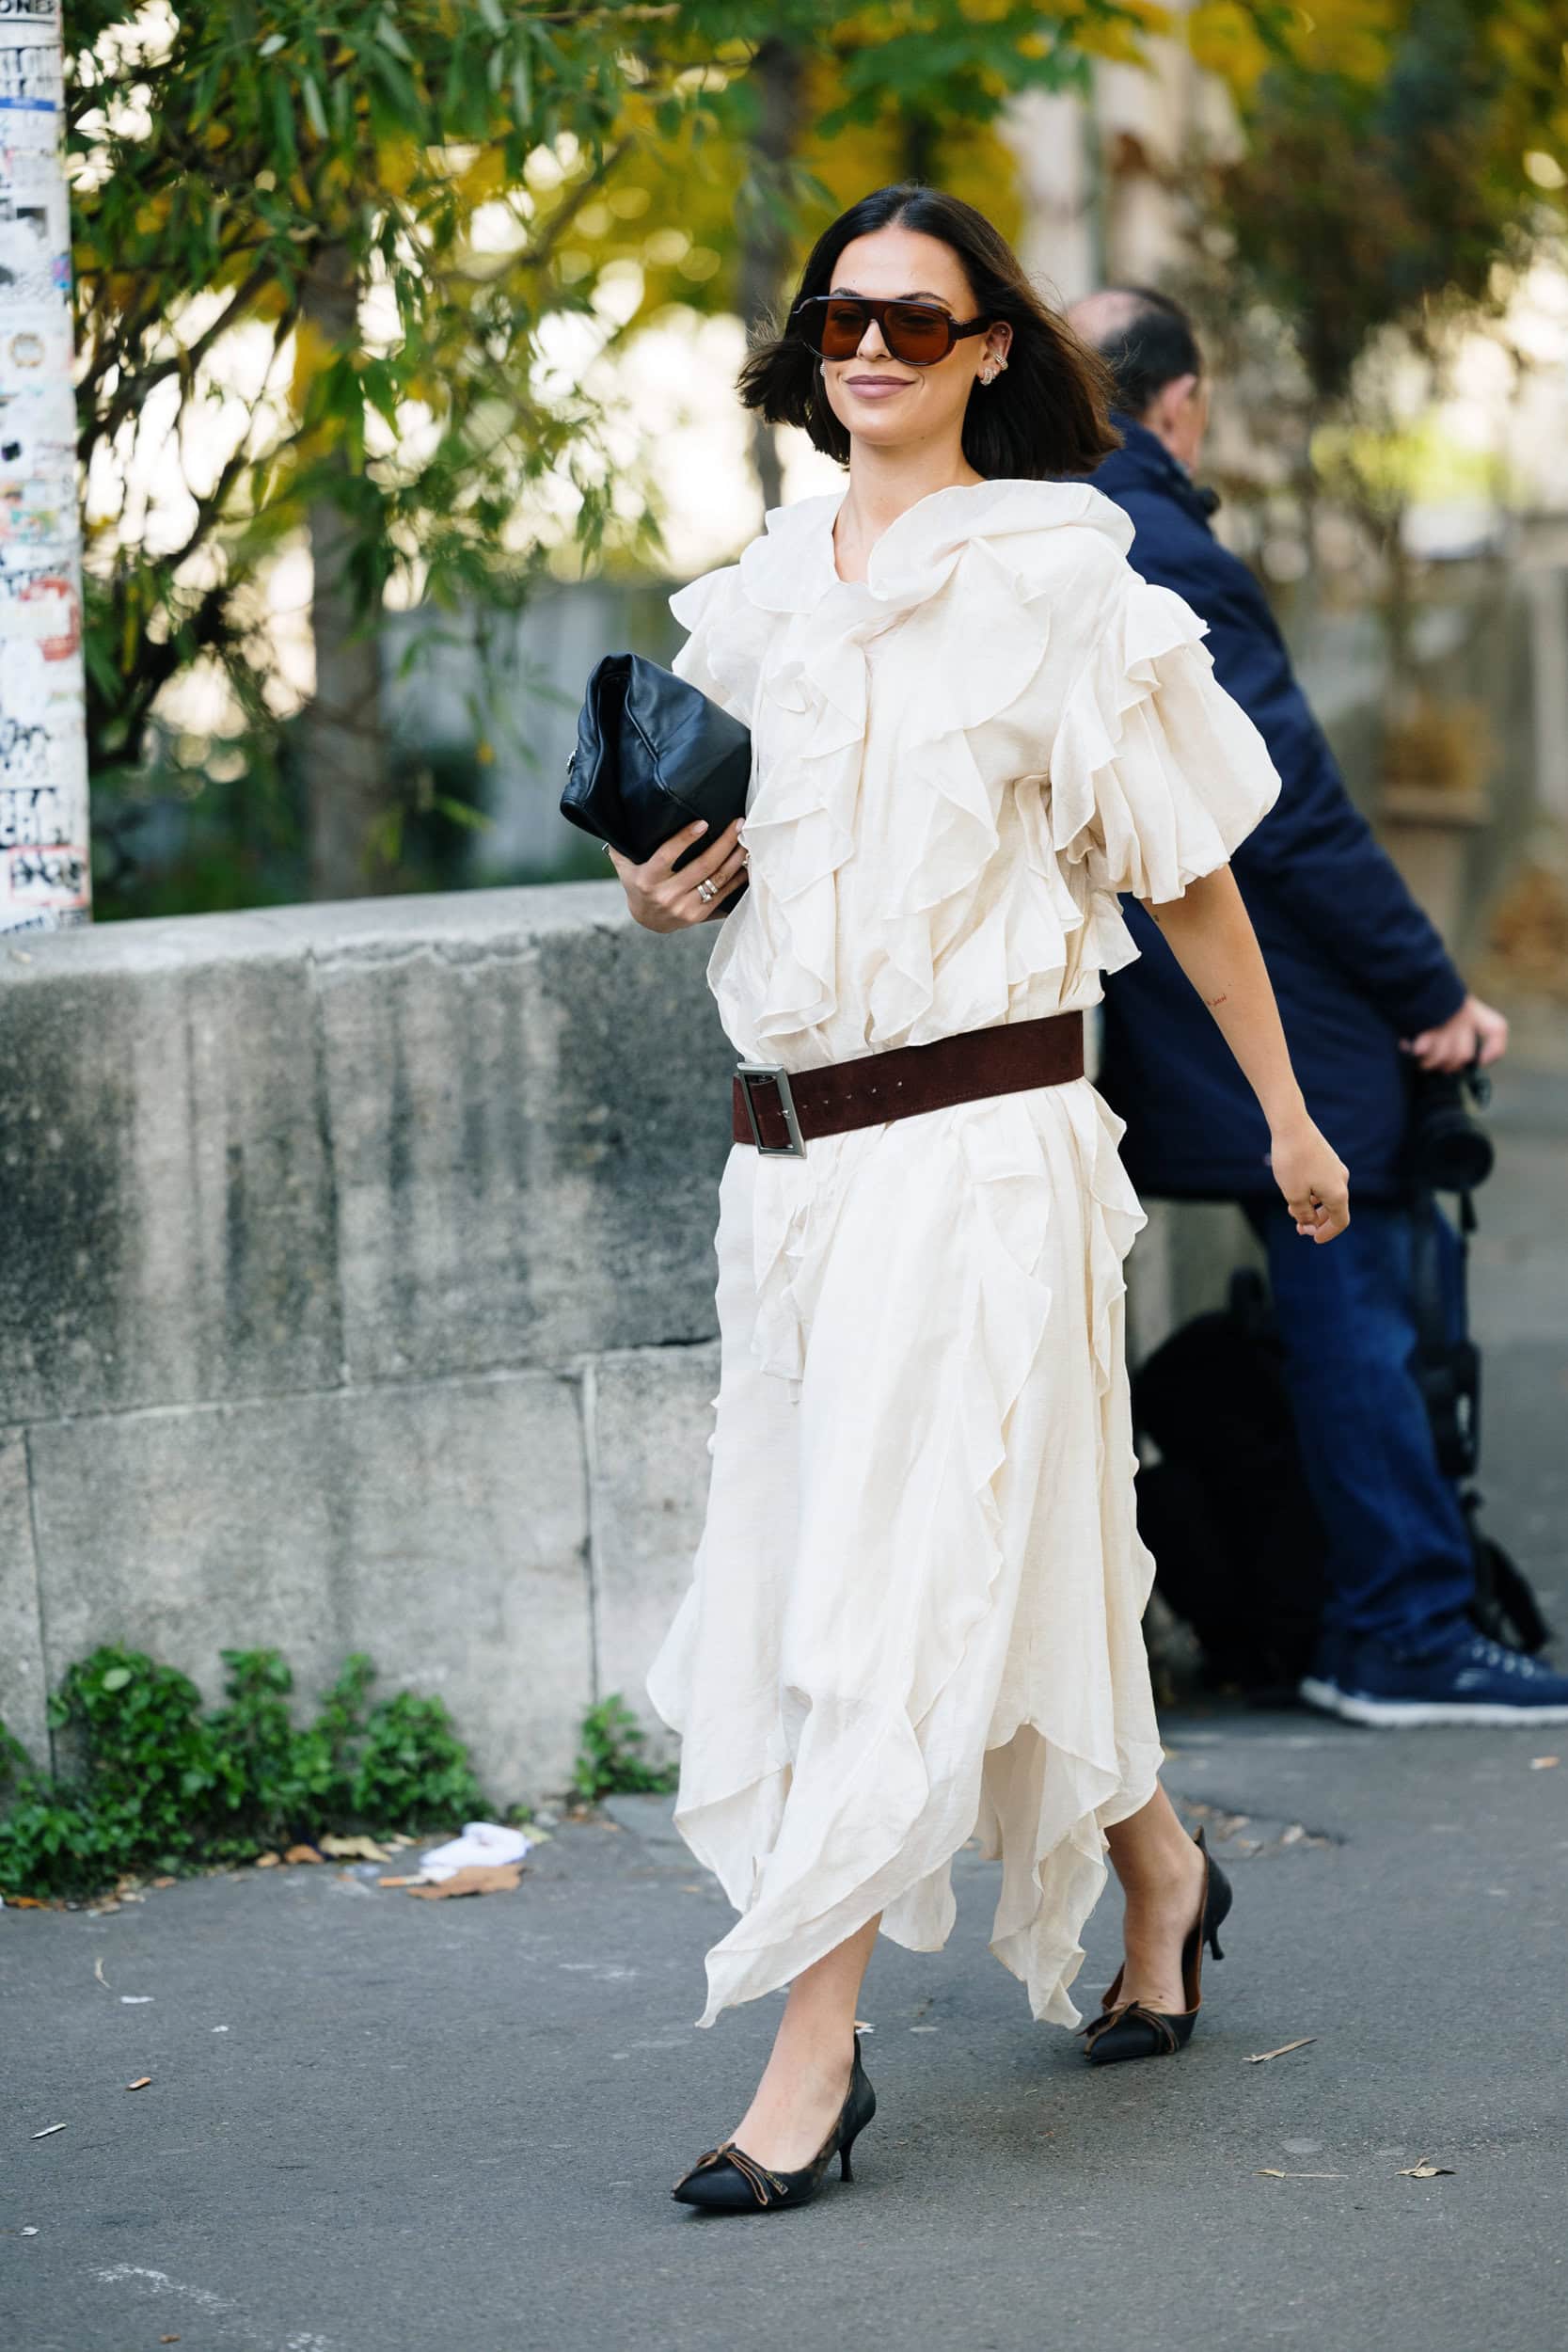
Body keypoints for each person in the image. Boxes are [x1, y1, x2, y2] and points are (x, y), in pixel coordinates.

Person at [609, 184, 1348, 2217]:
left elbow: (1192, 873)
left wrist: (1289, 1119)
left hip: (985, 1154)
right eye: (842, 316)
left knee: (877, 1594)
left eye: (917, 322)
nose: (870, 348)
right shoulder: (760, 595)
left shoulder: (1062, 581)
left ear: (990, 348)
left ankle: (812, 2060)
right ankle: (1162, 1870)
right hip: (787, 1170)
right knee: (969, 1567)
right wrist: (659, 895)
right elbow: (735, 878)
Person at [1069, 285, 1568, 1729]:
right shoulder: (1158, 540)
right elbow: (1278, 807)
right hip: (1219, 986)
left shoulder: (1046, 529)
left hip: (1126, 991)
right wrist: (1431, 990)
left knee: (1333, 1246)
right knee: (1356, 1226)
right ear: (1181, 403)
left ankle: (1372, 1602)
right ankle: (1401, 1624)